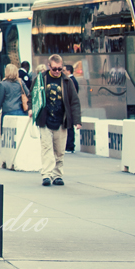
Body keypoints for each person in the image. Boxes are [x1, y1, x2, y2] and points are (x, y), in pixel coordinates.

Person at [33, 54, 81, 187]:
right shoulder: (41, 79)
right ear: (49, 66)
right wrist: (32, 110)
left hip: (61, 120)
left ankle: (57, 175)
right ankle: (47, 175)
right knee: (47, 148)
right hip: (45, 119)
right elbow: (33, 95)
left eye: (60, 69)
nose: (57, 71)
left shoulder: (67, 81)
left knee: (59, 151)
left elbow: (74, 102)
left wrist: (77, 120)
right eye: (55, 69)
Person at [0, 62, 28, 130]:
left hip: (7, 111)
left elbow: (0, 99)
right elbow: (28, 93)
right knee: (19, 133)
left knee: (7, 133)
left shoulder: (3, 84)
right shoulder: (20, 82)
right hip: (20, 110)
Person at [63, 64, 80, 153]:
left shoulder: (71, 81)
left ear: (68, 71)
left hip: (69, 107)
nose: (62, 72)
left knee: (69, 127)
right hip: (69, 107)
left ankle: (70, 146)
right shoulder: (71, 80)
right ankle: (69, 146)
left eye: (64, 70)